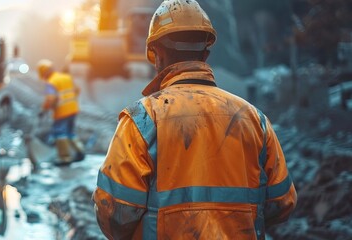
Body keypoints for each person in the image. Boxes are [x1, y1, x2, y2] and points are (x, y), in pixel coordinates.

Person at [92, 0, 297, 239]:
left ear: (156, 54)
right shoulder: (254, 119)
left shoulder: (142, 119)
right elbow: (283, 202)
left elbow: (116, 212)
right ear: (205, 52)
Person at [37, 59, 85, 165]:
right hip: (73, 109)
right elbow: (77, 90)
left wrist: (43, 110)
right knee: (70, 132)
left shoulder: (51, 82)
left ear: (44, 72)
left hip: (62, 112)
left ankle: (65, 158)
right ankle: (80, 152)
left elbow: (50, 99)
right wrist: (70, 100)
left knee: (60, 133)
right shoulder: (66, 77)